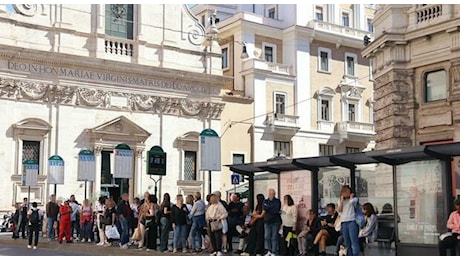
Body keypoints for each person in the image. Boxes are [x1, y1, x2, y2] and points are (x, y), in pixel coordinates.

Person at [338, 185, 360, 256]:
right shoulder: (340, 200)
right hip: (344, 222)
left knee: (354, 242)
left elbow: (353, 203)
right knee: (347, 243)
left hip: (352, 221)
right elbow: (339, 210)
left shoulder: (354, 199)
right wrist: (341, 201)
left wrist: (351, 197)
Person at [206, 192, 228, 256]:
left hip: (217, 222)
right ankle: (214, 250)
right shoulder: (211, 206)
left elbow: (225, 213)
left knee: (218, 236)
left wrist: (220, 218)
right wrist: (208, 217)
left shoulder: (219, 205)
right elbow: (207, 214)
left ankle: (219, 250)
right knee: (212, 236)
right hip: (211, 222)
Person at [262, 188, 282, 256]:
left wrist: (268, 209)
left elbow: (276, 210)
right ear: (268, 194)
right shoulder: (265, 201)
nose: (272, 195)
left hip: (275, 221)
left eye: (273, 194)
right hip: (267, 221)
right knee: (267, 236)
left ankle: (274, 252)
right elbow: (264, 208)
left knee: (274, 237)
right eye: (270, 193)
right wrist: (271, 209)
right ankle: (269, 250)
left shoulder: (277, 201)